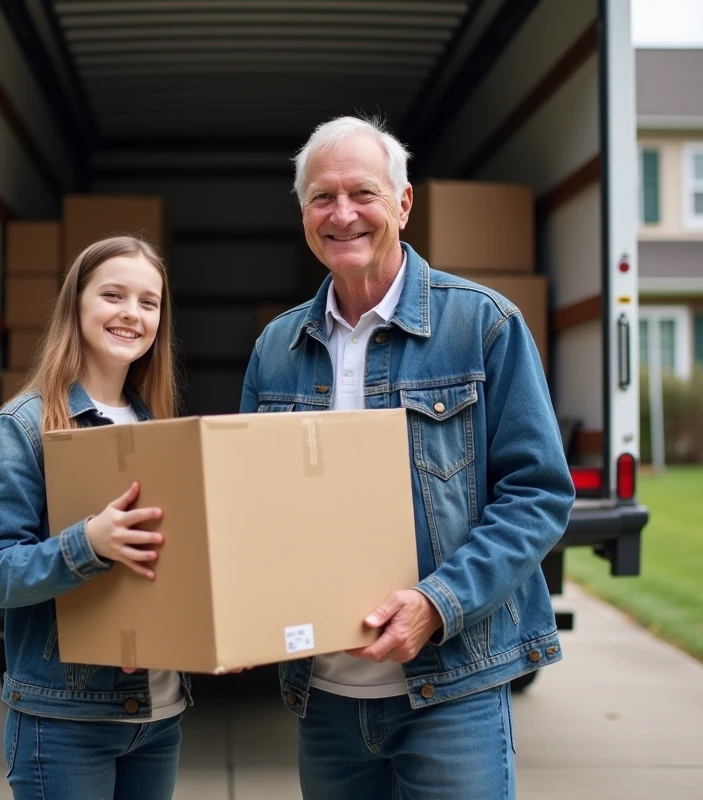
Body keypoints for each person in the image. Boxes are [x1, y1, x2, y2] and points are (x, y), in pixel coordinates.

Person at [240, 115, 575, 799]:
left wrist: (435, 603)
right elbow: (252, 506)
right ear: (303, 213)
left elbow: (538, 493)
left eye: (362, 193)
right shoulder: (276, 346)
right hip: (326, 700)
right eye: (321, 198)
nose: (342, 215)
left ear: (404, 202)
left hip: (451, 690)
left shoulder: (483, 324)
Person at [0, 235, 189, 800]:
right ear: (77, 305)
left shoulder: (158, 428)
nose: (131, 314)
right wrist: (87, 544)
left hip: (158, 715)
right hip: (65, 721)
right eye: (113, 295)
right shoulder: (24, 427)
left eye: (148, 302)